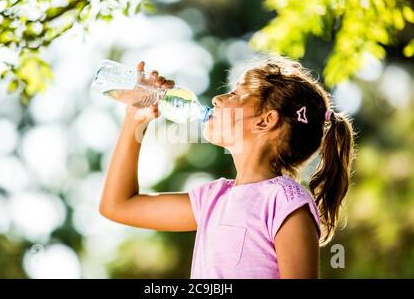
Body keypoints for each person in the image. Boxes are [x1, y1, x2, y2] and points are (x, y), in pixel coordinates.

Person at [98, 55, 356, 278]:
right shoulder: (212, 199)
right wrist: (135, 120)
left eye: (235, 94)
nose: (218, 99)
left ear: (266, 121)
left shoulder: (285, 202)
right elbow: (118, 205)